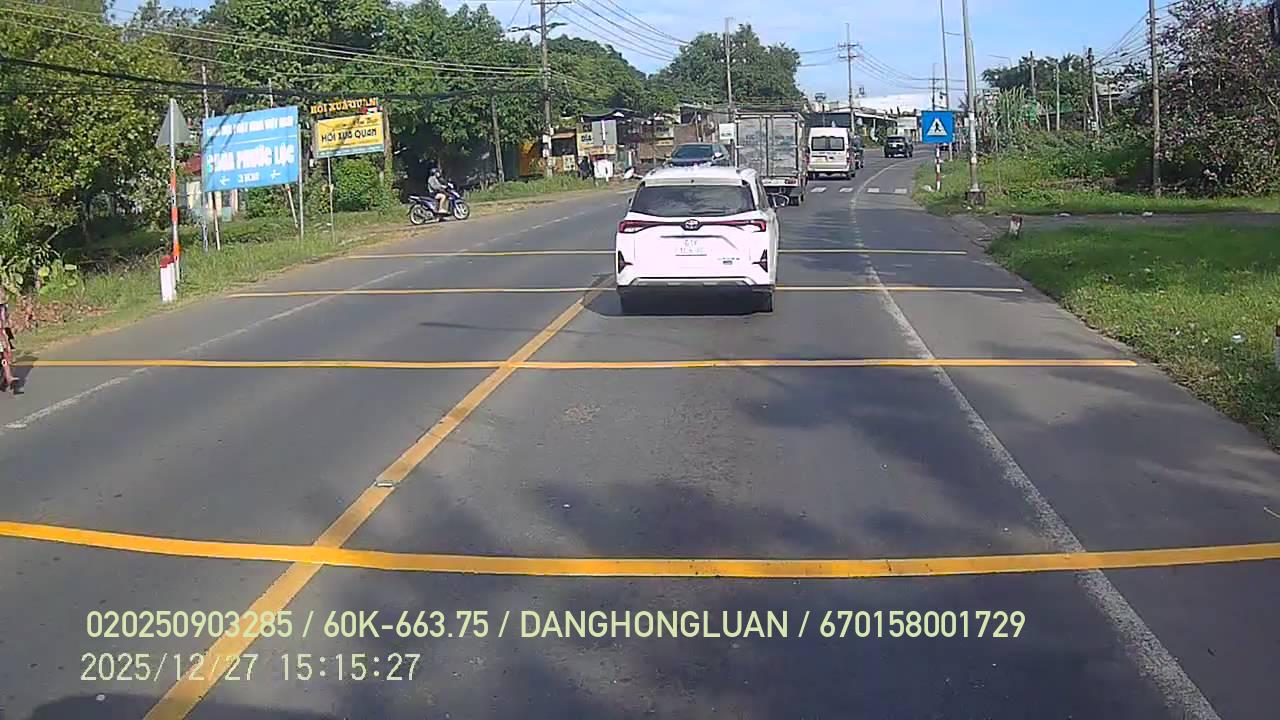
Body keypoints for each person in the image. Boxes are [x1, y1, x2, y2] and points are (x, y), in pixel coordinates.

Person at [0, 286, 18, 393]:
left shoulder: (3, 308)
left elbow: (6, 321)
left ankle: (8, 376)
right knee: (4, 356)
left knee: (5, 356)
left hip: (2, 333)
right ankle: (8, 376)